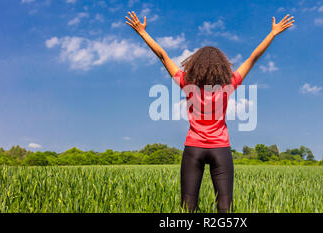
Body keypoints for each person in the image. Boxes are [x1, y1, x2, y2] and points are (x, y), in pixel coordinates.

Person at [125, 11, 294, 213]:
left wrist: (142, 33)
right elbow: (253, 57)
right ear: (222, 66)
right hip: (220, 149)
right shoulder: (229, 83)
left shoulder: (186, 82)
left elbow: (163, 56)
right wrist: (273, 33)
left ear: (195, 65)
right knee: (224, 206)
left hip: (193, 148)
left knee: (187, 207)